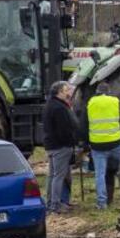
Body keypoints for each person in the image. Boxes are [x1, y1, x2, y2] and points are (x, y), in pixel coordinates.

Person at [80, 83, 120, 210]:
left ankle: (102, 203)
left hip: (97, 146)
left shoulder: (90, 103)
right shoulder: (115, 101)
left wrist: (88, 142)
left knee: (100, 175)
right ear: (109, 91)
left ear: (96, 91)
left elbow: (84, 126)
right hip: (116, 143)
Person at [41, 81, 77, 214]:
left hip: (51, 145)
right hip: (61, 146)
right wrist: (71, 142)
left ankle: (50, 202)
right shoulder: (60, 108)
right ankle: (55, 204)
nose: (69, 92)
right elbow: (64, 130)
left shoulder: (49, 105)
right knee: (59, 176)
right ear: (60, 92)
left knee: (52, 175)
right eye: (66, 90)